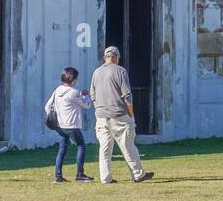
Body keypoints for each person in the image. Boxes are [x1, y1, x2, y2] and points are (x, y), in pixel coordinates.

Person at [90, 46, 154, 183]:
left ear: (105, 58)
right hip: (119, 114)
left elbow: (92, 95)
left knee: (105, 148)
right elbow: (127, 95)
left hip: (101, 116)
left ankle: (105, 178)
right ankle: (138, 174)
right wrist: (131, 113)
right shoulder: (120, 71)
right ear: (116, 57)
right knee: (127, 145)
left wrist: (99, 109)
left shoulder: (96, 72)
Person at [45, 66, 94, 182]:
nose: (77, 80)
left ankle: (58, 176)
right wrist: (86, 96)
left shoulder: (58, 90)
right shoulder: (74, 92)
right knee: (81, 146)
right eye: (76, 78)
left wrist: (53, 116)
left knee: (62, 148)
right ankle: (80, 174)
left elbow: (47, 106)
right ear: (73, 79)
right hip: (72, 125)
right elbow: (87, 105)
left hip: (60, 125)